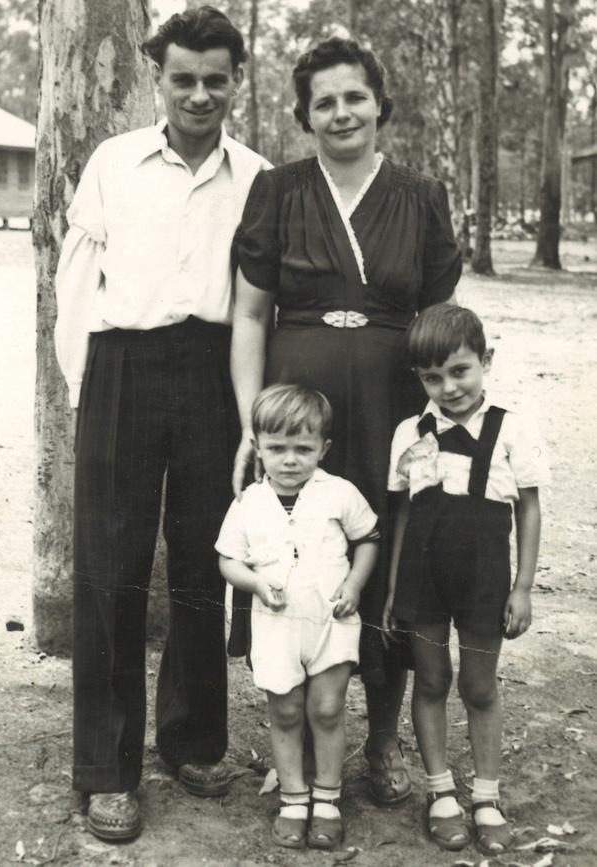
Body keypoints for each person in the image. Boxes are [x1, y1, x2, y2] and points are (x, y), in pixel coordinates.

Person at [54, 6, 269, 841]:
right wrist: (89, 386)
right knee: (110, 564)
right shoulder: (113, 162)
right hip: (123, 365)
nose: (200, 93)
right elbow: (77, 281)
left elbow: (263, 298)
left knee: (200, 562)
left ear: (234, 81)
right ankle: (107, 768)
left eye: (216, 79)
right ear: (158, 76)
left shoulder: (257, 175)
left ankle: (192, 739)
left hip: (213, 370)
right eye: (184, 77)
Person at [229, 37, 462, 806]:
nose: (340, 112)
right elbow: (252, 314)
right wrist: (250, 424)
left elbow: (437, 322)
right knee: (300, 563)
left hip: (393, 411)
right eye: (324, 101)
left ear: (378, 104)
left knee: (387, 560)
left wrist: (441, 419)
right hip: (301, 410)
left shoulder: (421, 195)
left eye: (353, 96)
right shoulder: (279, 189)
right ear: (305, 114)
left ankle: (382, 744)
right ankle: (291, 740)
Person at [383, 304, 549, 854]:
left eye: (459, 371)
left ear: (486, 361)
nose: (448, 387)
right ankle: (440, 792)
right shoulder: (411, 431)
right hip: (423, 580)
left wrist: (522, 586)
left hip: (484, 579)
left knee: (478, 685)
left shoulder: (510, 428)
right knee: (430, 681)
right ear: (419, 378)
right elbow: (403, 511)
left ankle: (485, 795)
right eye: (433, 377)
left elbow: (528, 509)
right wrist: (392, 590)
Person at [216, 384, 380, 849]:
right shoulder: (249, 502)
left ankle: (327, 798)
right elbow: (228, 560)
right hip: (275, 624)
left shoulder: (339, 494)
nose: (290, 460)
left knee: (327, 709)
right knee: (285, 710)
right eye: (277, 449)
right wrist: (253, 585)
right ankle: (293, 797)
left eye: (303, 449)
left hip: (331, 621)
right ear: (258, 448)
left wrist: (354, 585)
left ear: (323, 448)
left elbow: (368, 537)